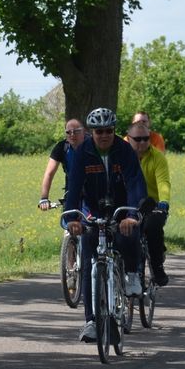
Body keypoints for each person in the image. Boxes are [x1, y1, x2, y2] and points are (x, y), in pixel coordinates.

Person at [64, 107, 146, 342]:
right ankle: (91, 321)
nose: (104, 135)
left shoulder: (125, 150)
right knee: (90, 261)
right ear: (92, 132)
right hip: (95, 211)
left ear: (114, 131)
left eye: (108, 130)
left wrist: (131, 214)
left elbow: (135, 184)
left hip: (121, 210)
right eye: (99, 131)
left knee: (128, 236)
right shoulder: (82, 152)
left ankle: (131, 274)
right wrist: (73, 219)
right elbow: (74, 187)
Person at [125, 121, 171, 286]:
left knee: (153, 226)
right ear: (128, 139)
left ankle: (157, 267)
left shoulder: (157, 157)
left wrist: (164, 201)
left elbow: (163, 182)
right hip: (127, 204)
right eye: (138, 139)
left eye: (146, 138)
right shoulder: (121, 156)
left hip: (152, 204)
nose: (143, 142)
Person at [38, 118, 85, 209]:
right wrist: (44, 198)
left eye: (76, 131)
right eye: (68, 132)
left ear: (84, 131)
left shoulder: (93, 144)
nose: (72, 135)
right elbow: (49, 173)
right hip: (72, 191)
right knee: (69, 220)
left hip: (95, 190)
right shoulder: (62, 147)